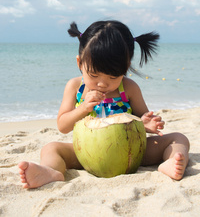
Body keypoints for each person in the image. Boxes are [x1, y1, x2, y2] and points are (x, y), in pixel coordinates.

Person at [18, 20, 190, 189]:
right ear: (80, 63)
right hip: (87, 153)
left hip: (130, 153)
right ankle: (50, 171)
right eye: (93, 75)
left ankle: (169, 163)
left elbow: (142, 119)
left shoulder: (129, 88)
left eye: (113, 77)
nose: (102, 84)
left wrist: (146, 124)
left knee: (178, 139)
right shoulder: (75, 87)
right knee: (51, 148)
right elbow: (63, 125)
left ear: (125, 67)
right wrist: (84, 108)